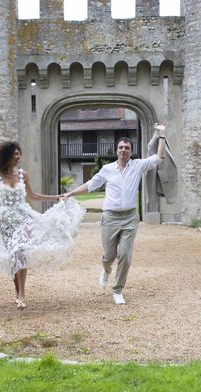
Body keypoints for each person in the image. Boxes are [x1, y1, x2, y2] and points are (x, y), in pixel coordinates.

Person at [0, 141, 85, 309]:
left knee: (19, 250)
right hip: (5, 221)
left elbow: (33, 196)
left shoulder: (22, 175)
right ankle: (17, 291)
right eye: (16, 154)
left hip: (24, 217)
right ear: (7, 156)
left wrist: (54, 198)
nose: (19, 157)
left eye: (19, 154)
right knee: (13, 256)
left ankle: (22, 294)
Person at [63, 123, 167, 305]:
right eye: (121, 147)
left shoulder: (138, 166)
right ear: (117, 150)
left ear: (131, 151)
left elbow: (160, 157)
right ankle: (106, 269)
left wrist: (162, 134)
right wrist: (70, 193)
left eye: (127, 148)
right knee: (109, 255)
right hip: (110, 217)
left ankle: (118, 290)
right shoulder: (107, 169)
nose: (124, 150)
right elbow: (90, 185)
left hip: (130, 218)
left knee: (125, 255)